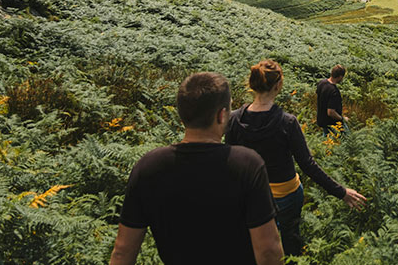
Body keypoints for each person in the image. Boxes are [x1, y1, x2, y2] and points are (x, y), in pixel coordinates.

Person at [110, 72, 284, 265]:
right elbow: (268, 251)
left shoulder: (149, 167)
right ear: (221, 115)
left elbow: (122, 252)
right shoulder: (246, 165)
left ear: (182, 113)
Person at [225, 60, 366, 256]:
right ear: (278, 85)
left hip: (251, 194)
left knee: (255, 244)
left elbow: (229, 162)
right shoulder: (287, 122)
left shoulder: (233, 119)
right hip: (286, 195)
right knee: (290, 239)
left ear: (252, 84)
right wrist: (341, 192)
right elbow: (308, 165)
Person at [316, 64, 348, 136]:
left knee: (327, 143)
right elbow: (331, 112)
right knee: (348, 139)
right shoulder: (334, 91)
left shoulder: (321, 83)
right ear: (340, 76)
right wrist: (342, 119)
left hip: (322, 120)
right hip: (332, 124)